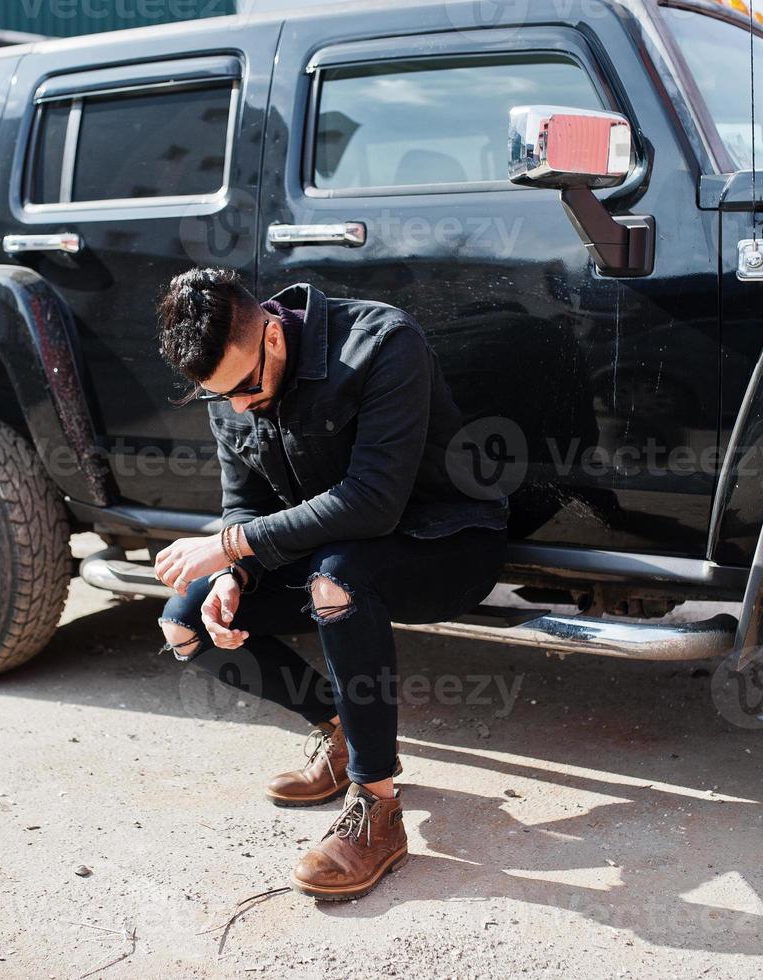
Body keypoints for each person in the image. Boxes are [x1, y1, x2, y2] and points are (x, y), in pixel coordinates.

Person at [152, 267, 509, 901]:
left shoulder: (381, 342)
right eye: (216, 396)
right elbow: (246, 506)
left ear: (273, 337)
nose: (236, 406)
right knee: (185, 622)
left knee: (335, 581)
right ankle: (337, 732)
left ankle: (376, 807)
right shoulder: (232, 387)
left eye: (243, 387)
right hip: (324, 549)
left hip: (444, 542)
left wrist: (231, 547)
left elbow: (373, 503)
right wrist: (235, 573)